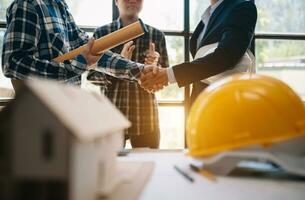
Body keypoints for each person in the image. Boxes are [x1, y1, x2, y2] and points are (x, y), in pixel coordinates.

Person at [1, 0, 154, 89]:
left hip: (68, 114)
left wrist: (140, 71)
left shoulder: (60, 7)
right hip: (41, 118)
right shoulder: (27, 4)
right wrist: (74, 68)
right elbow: (13, 63)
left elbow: (92, 50)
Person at [140, 0, 257, 105]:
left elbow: (227, 55)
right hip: (200, 104)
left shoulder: (242, 7)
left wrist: (169, 75)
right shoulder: (208, 16)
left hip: (224, 105)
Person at [87, 0, 169, 148]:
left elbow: (164, 79)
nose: (132, 0)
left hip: (145, 118)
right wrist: (119, 67)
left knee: (148, 167)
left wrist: (154, 68)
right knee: (109, 169)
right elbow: (91, 75)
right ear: (116, 1)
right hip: (110, 120)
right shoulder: (102, 34)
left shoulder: (157, 35)